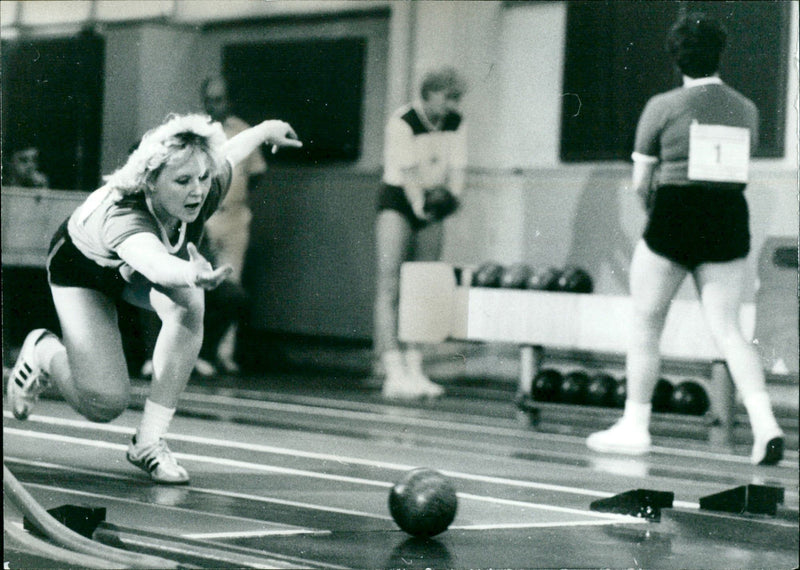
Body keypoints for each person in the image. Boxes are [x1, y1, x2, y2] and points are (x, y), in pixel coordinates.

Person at [7, 113, 302, 484]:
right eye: (182, 181)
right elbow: (156, 264)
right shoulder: (125, 215)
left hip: (132, 268)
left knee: (189, 302)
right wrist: (190, 273)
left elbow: (228, 153)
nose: (196, 190)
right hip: (83, 270)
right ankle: (44, 352)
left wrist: (264, 130)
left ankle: (148, 442)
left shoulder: (203, 185)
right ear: (150, 182)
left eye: (201, 178)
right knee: (104, 404)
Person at [586, 12, 784, 465]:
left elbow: (640, 182)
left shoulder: (662, 106)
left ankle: (635, 426)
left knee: (646, 323)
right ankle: (765, 424)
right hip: (727, 218)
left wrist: (654, 211)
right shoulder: (747, 109)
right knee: (730, 331)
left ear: (677, 59)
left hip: (674, 215)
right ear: (720, 55)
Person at [374, 67, 468, 399]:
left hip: (433, 199)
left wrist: (450, 202)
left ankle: (415, 370)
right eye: (447, 98)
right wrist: (420, 208)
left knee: (422, 286)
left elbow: (457, 171)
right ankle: (393, 372)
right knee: (391, 285)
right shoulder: (403, 122)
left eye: (456, 99)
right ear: (428, 94)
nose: (452, 105)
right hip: (400, 198)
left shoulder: (456, 123)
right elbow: (409, 175)